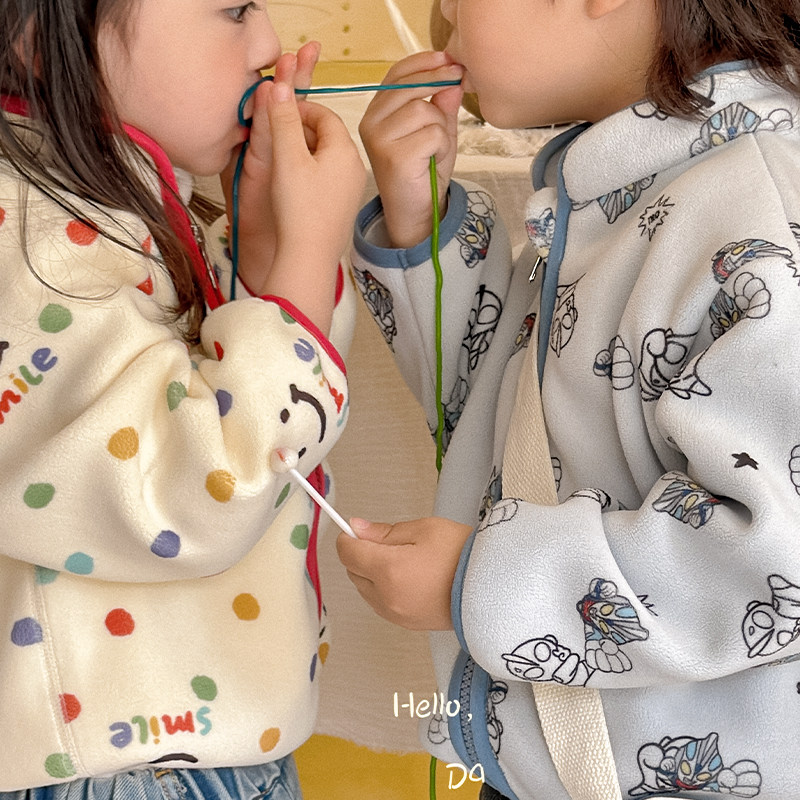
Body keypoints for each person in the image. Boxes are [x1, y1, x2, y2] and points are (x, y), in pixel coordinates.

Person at [338, 0, 800, 797]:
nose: (440, 13)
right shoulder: (623, 188)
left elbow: (775, 556)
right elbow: (509, 427)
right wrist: (419, 219)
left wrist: (480, 579)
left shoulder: (755, 213)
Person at [0, 0, 364, 797]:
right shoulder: (31, 239)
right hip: (129, 770)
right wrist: (307, 253)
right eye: (232, 10)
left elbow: (237, 411)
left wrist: (266, 257)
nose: (267, 41)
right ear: (39, 37)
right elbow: (195, 494)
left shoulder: (95, 201)